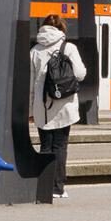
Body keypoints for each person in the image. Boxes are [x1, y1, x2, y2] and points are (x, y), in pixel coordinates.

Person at [30, 13, 87, 200]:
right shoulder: (69, 47)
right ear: (61, 29)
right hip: (65, 106)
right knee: (60, 146)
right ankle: (58, 187)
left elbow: (30, 84)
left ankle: (44, 186)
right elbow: (79, 74)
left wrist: (31, 110)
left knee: (45, 147)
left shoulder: (35, 50)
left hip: (42, 107)